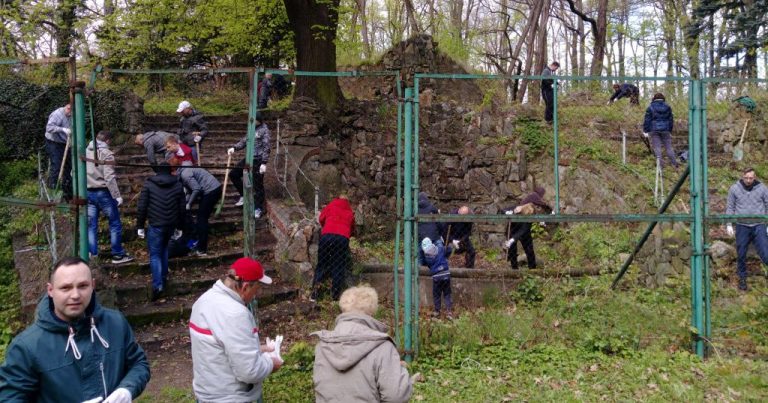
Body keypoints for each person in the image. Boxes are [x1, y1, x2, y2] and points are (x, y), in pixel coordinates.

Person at [0, 256, 150, 401]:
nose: (75, 295)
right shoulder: (26, 346)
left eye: (83, 286)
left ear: (93, 285)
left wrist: (127, 389)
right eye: (66, 288)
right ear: (50, 290)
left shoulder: (115, 323)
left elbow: (139, 364)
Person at [189, 257, 281, 402]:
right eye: (256, 290)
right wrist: (271, 363)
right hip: (231, 397)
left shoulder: (204, 301)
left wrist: (258, 349)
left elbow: (221, 346)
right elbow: (250, 372)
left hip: (207, 392)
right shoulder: (235, 314)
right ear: (245, 287)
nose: (256, 296)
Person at [311, 286, 412, 403]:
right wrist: (401, 371)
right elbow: (396, 397)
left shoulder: (322, 345)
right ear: (372, 311)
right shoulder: (382, 346)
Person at [136, 162, 186, 300]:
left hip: (156, 224)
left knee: (155, 254)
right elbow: (182, 208)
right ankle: (163, 277)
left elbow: (142, 206)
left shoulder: (149, 184)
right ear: (170, 170)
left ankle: (158, 285)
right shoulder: (177, 184)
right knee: (163, 249)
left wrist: (140, 225)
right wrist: (180, 227)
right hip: (171, 224)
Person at [86, 130, 134, 264]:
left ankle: (92, 253)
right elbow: (109, 178)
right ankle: (117, 254)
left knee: (91, 225)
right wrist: (117, 195)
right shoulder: (107, 154)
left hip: (88, 192)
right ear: (107, 141)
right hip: (103, 192)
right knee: (114, 223)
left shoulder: (84, 151)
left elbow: (74, 173)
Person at [725, 168, 768, 291]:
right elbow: (730, 207)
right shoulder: (734, 189)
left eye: (751, 178)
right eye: (746, 178)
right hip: (742, 225)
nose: (748, 180)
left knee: (765, 253)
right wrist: (729, 224)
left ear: (754, 178)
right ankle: (742, 279)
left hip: (759, 224)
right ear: (742, 177)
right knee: (741, 253)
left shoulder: (762, 188)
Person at [171, 158, 222, 257]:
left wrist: (188, 204)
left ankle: (202, 249)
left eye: (171, 172)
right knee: (199, 220)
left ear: (174, 170)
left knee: (201, 220)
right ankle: (195, 245)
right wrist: (187, 201)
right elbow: (191, 190)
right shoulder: (184, 171)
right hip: (211, 188)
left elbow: (196, 189)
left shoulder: (185, 174)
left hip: (211, 190)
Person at [311, 194, 355, 301]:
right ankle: (335, 296)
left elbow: (321, 219)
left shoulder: (331, 206)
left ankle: (315, 294)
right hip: (342, 239)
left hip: (327, 236)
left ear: (337, 199)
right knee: (338, 265)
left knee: (322, 264)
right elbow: (352, 229)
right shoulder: (350, 212)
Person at [227, 117, 270, 218]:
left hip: (258, 159)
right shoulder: (252, 128)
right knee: (233, 174)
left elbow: (266, 147)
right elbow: (244, 140)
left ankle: (258, 208)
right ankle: (244, 195)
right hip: (249, 158)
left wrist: (264, 162)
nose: (252, 122)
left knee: (257, 184)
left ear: (259, 120)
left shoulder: (265, 131)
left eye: (254, 120)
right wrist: (234, 147)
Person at [503, 187, 553, 270]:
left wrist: (544, 218)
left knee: (529, 250)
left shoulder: (531, 211)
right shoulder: (534, 196)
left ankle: (532, 270)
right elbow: (503, 210)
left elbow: (540, 210)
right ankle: (515, 270)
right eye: (543, 195)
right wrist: (508, 212)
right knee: (513, 251)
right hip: (515, 226)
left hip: (524, 225)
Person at [643, 92, 678, 169]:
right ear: (663, 98)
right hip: (666, 129)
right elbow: (671, 119)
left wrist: (645, 130)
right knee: (669, 147)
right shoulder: (668, 107)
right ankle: (674, 164)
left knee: (657, 147)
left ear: (654, 98)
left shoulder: (650, 107)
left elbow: (647, 120)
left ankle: (660, 166)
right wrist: (670, 129)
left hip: (654, 129)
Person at [44, 103, 73, 198]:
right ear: (68, 109)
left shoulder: (71, 114)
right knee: (56, 164)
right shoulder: (57, 114)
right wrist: (62, 129)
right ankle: (53, 188)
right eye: (71, 112)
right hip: (53, 142)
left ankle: (67, 189)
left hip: (65, 142)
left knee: (68, 166)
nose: (72, 115)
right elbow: (49, 128)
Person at [422, 238, 453, 319]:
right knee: (447, 294)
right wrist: (446, 251)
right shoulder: (440, 248)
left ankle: (437, 311)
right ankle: (449, 311)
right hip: (446, 274)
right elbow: (449, 250)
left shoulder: (427, 257)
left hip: (436, 277)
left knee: (437, 294)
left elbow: (429, 265)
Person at [417, 192, 446, 265]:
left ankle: (418, 272)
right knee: (439, 252)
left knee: (420, 257)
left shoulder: (415, 209)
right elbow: (440, 224)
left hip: (421, 238)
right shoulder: (432, 208)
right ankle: (440, 267)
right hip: (434, 237)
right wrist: (440, 234)